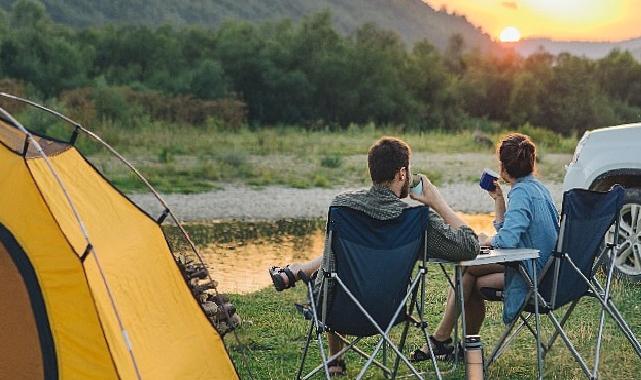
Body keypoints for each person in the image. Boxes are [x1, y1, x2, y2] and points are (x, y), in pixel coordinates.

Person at [268, 136, 479, 375]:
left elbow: (329, 265)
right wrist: (438, 203)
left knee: (332, 267)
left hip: (335, 309)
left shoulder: (343, 206)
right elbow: (469, 246)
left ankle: (334, 358)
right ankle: (299, 273)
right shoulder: (414, 220)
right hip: (389, 311)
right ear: (402, 173)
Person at [412, 133, 559, 361]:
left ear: (503, 168)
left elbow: (507, 241)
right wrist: (499, 201)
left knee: (468, 273)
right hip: (545, 268)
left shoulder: (521, 193)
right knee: (469, 274)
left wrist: (485, 242)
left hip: (532, 274)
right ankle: (458, 344)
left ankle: (444, 340)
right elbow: (511, 232)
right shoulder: (537, 188)